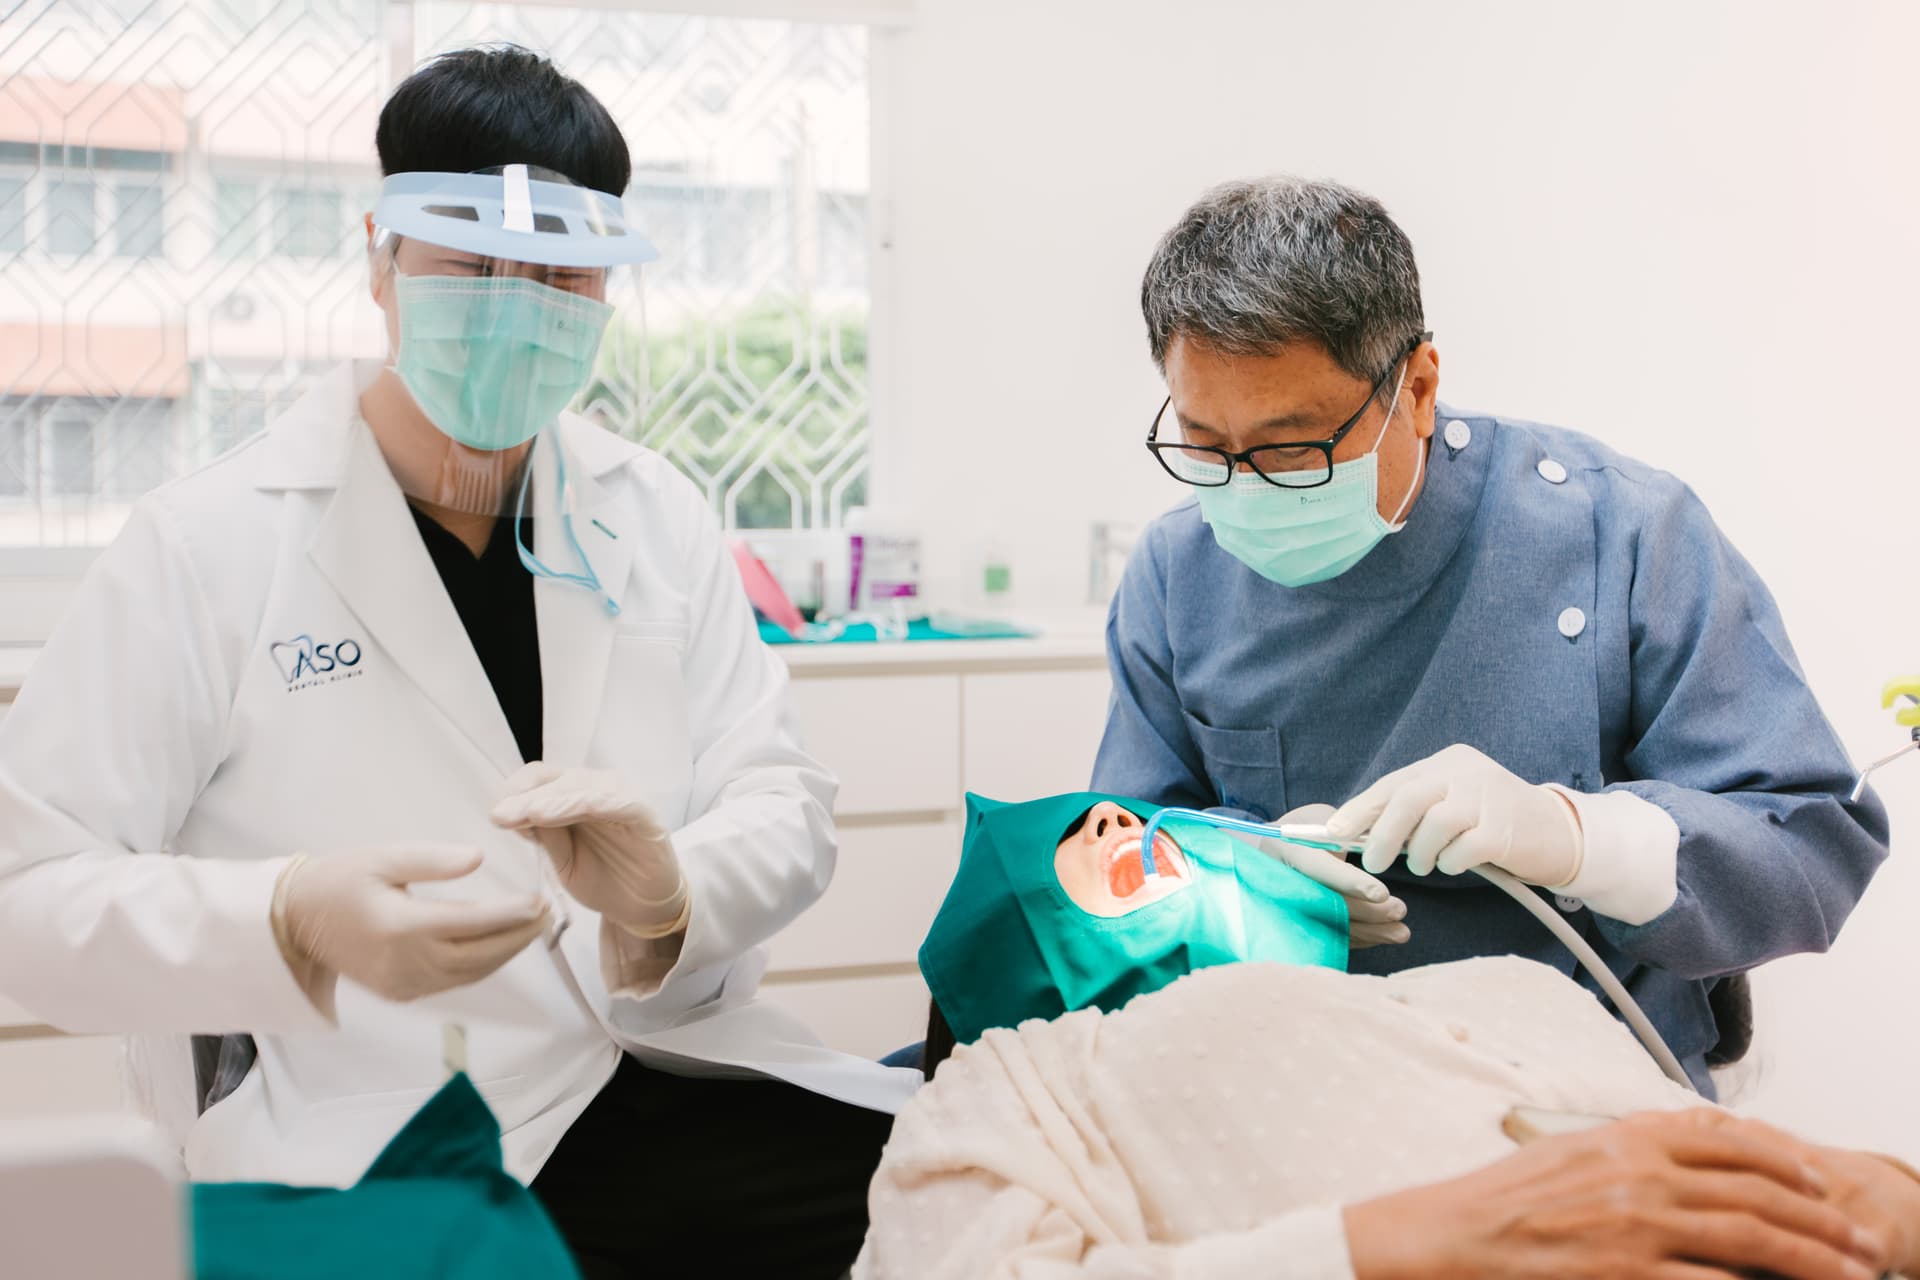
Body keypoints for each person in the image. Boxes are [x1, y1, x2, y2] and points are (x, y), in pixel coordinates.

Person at [0, 47, 914, 1278]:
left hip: (663, 1067)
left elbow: (783, 799)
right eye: (477, 266)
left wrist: (671, 895)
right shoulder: (207, 544)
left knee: (973, 1201)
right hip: (387, 1131)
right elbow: (31, 896)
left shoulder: (655, 513)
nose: (516, 303)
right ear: (381, 258)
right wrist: (285, 915)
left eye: (557, 277)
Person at [1093, 175, 1889, 1090]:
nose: (1245, 486)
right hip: (1293, 1078)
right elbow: (1117, 862)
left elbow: (1810, 851)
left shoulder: (1624, 531)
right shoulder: (1176, 572)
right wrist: (1238, 878)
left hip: (1576, 1091)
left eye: (1293, 447)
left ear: (1419, 388)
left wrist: (1578, 836)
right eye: (1203, 445)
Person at [855, 791, 1920, 1280]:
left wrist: (1885, 1192)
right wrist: (1399, 1245)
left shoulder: (1511, 981)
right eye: (1083, 848)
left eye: (1136, 816)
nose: (1115, 822)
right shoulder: (1013, 1083)